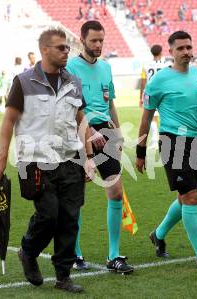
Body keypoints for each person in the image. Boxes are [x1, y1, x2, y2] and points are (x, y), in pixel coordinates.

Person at [0, 28, 96, 293]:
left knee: (70, 218)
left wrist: (89, 158)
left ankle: (64, 276)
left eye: (67, 48)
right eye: (60, 47)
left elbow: (80, 119)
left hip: (70, 159)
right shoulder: (23, 81)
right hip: (35, 161)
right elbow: (9, 120)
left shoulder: (74, 81)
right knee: (49, 215)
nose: (66, 51)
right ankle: (28, 251)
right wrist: (2, 155)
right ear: (44, 50)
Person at [136, 31, 197, 271]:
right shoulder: (159, 80)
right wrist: (141, 151)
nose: (186, 52)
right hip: (172, 142)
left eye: (189, 47)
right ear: (171, 51)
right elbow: (146, 118)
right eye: (181, 48)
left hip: (195, 142)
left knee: (185, 197)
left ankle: (158, 234)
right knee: (191, 196)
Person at [66, 20, 134, 274]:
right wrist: (89, 131)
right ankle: (74, 252)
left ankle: (114, 256)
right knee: (76, 197)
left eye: (101, 40)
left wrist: (116, 133)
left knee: (115, 191)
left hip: (105, 133)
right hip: (79, 131)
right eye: (93, 40)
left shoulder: (106, 67)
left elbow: (110, 102)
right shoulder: (71, 66)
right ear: (82, 40)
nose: (98, 45)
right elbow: (74, 106)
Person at [139, 44, 171, 149]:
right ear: (161, 52)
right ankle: (165, 140)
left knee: (151, 118)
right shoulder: (166, 65)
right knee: (166, 117)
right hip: (164, 94)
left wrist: (141, 97)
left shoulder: (146, 65)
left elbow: (143, 82)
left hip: (150, 93)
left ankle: (154, 140)